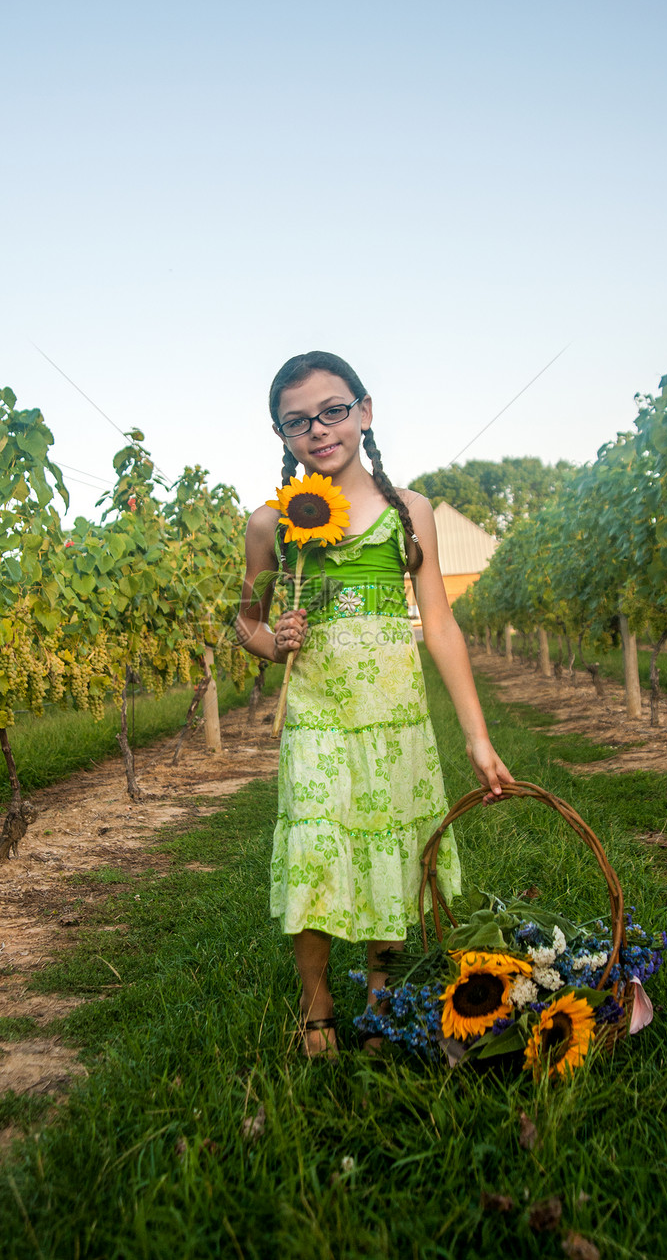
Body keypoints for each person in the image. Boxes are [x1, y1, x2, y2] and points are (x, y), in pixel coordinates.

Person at [237, 352, 512, 1057]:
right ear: (282, 433)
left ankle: (381, 993)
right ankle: (318, 999)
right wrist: (274, 641)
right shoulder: (271, 523)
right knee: (317, 843)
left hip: (394, 714)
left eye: (333, 410)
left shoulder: (407, 512)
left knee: (391, 840)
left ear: (365, 410)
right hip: (319, 711)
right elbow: (245, 618)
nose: (319, 430)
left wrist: (478, 738)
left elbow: (441, 628)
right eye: (298, 421)